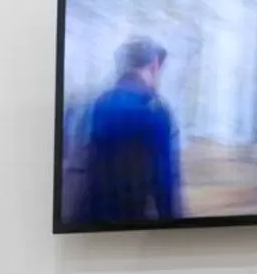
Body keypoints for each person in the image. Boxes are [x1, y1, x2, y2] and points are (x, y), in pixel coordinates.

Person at [74, 38, 182, 225]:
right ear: (155, 64)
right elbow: (165, 182)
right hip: (132, 224)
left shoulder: (96, 104)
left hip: (89, 223)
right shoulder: (154, 109)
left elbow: (79, 165)